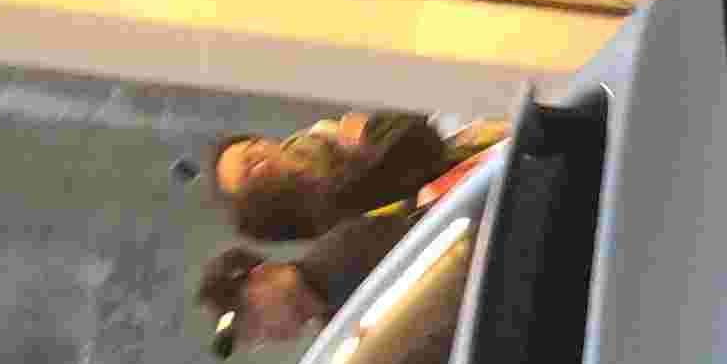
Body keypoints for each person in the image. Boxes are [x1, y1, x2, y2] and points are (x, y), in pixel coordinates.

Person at [179, 109, 503, 242]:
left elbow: (410, 132)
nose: (260, 157)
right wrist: (364, 132)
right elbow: (415, 144)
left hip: (478, 158)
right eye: (250, 171)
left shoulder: (316, 139)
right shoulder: (330, 213)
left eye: (253, 148)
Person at [194, 198, 421, 357]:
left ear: (258, 274)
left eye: (253, 318)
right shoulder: (336, 333)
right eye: (254, 337)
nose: (265, 334)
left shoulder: (348, 251)